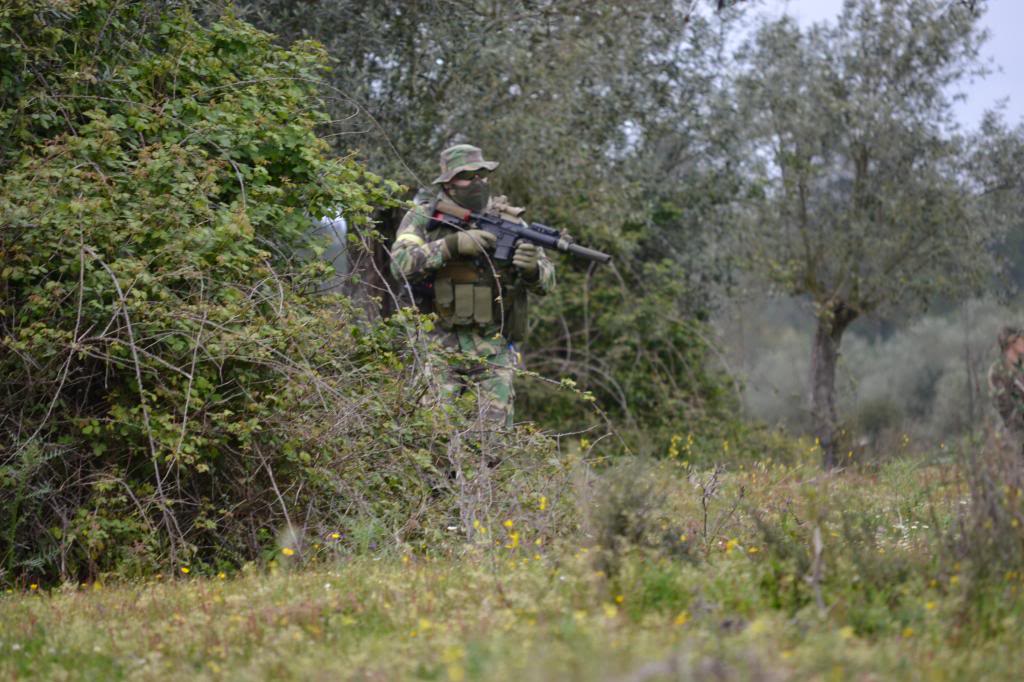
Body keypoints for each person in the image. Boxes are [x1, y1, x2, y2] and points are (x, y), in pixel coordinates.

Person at [389, 144, 555, 433]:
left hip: (492, 351)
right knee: (430, 439)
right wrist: (451, 246)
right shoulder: (424, 217)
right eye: (467, 176)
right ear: (449, 183)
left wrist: (532, 269)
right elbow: (399, 264)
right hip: (437, 347)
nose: (477, 182)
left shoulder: (512, 222)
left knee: (490, 446)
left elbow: (546, 282)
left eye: (482, 174)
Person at [988, 326, 1024, 441]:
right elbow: (1005, 410)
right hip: (1016, 436)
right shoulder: (998, 371)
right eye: (1021, 338)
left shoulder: (1021, 365)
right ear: (1011, 343)